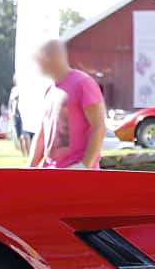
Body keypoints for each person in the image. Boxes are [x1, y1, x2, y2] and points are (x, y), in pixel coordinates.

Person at [27, 38, 105, 170]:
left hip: (77, 174)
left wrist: (84, 166)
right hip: (52, 171)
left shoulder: (83, 83)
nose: (35, 65)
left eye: (37, 59)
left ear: (48, 58)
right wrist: (30, 167)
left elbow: (99, 127)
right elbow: (42, 133)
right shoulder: (50, 90)